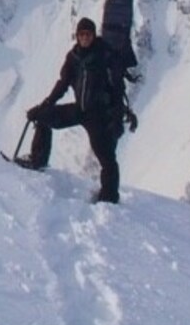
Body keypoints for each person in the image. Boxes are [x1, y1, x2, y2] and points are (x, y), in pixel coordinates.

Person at [24, 17, 123, 203]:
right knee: (44, 117)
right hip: (80, 110)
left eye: (88, 34)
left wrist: (117, 116)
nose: (85, 38)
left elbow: (118, 89)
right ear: (77, 36)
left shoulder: (105, 56)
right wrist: (45, 105)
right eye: (81, 34)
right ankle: (38, 159)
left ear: (94, 35)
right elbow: (63, 84)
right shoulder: (73, 57)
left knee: (106, 156)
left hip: (99, 115)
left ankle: (110, 196)